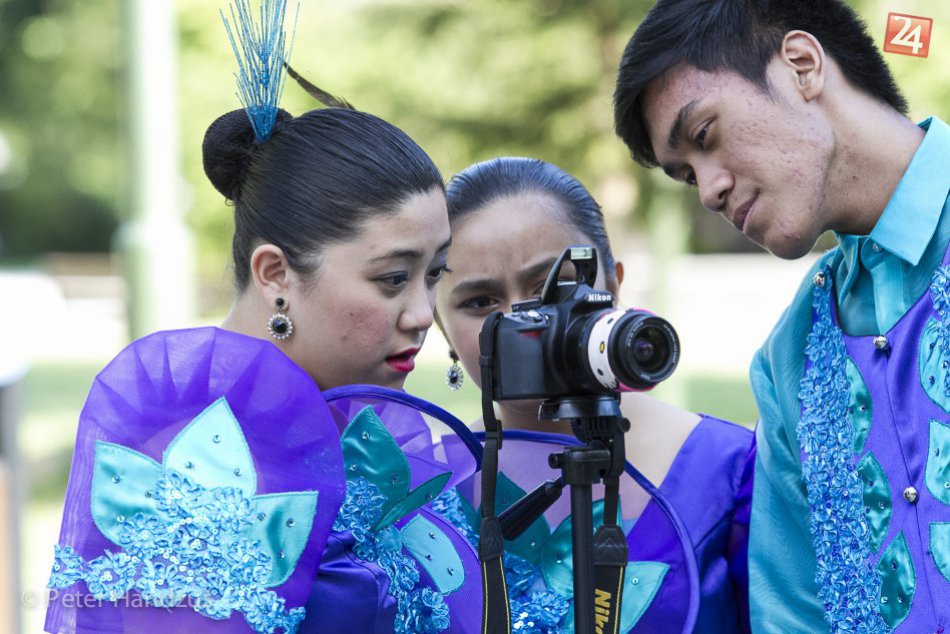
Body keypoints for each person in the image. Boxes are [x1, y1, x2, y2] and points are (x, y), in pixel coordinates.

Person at [43, 2, 482, 632]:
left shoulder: (363, 433)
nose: (421, 313)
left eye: (435, 274)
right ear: (275, 273)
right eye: (392, 278)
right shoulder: (196, 465)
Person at [613, 0, 950, 631]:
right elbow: (792, 612)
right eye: (687, 175)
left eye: (706, 136)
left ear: (801, 65)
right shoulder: (791, 356)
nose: (708, 189)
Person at [432, 156, 754, 633]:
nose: (526, 322)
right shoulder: (423, 484)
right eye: (481, 303)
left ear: (613, 286)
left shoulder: (729, 468)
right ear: (439, 322)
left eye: (552, 288)